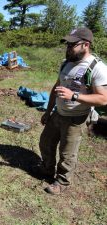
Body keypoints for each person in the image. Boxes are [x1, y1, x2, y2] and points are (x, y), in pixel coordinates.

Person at [38, 27, 107, 195]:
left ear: (86, 45)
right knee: (45, 142)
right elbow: (57, 87)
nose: (68, 48)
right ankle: (47, 170)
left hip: (77, 118)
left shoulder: (97, 68)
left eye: (72, 45)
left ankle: (61, 182)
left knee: (67, 153)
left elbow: (103, 99)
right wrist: (48, 111)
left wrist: (74, 96)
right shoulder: (66, 62)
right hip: (58, 114)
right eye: (67, 44)